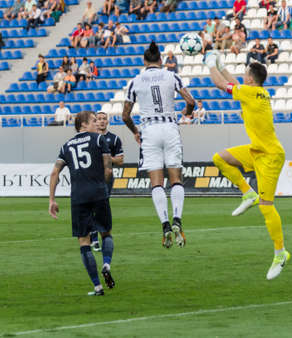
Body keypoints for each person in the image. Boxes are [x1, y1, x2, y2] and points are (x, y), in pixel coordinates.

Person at [204, 51, 290, 280]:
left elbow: (221, 84)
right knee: (220, 158)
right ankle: (247, 193)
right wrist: (222, 65)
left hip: (270, 156)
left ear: (250, 79)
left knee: (267, 206)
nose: (242, 77)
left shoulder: (252, 92)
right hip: (257, 150)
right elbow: (231, 82)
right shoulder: (254, 92)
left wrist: (210, 64)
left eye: (244, 74)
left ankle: (280, 253)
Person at [122, 42, 196, 249]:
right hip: (169, 127)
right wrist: (186, 114)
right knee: (176, 179)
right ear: (161, 61)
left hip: (149, 129)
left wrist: (136, 132)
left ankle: (164, 225)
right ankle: (177, 220)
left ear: (144, 61)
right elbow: (191, 101)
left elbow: (125, 115)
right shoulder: (171, 76)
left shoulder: (135, 81)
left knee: (156, 182)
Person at [48, 110, 116, 296]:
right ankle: (107, 264)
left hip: (78, 197)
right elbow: (108, 170)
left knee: (83, 241)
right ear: (83, 125)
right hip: (98, 193)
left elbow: (55, 173)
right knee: (106, 232)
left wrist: (52, 200)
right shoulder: (98, 140)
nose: (97, 124)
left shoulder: (66, 146)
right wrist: (102, 186)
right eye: (94, 121)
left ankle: (97, 287)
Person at [90, 111, 124, 251]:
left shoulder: (114, 139)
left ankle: (100, 235)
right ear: (95, 122)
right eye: (99, 119)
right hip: (91, 177)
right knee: (91, 206)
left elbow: (120, 160)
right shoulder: (90, 139)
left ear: (108, 121)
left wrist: (105, 158)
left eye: (104, 119)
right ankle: (93, 238)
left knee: (101, 207)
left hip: (107, 177)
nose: (102, 121)